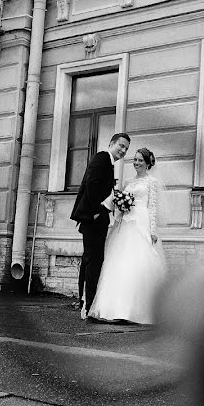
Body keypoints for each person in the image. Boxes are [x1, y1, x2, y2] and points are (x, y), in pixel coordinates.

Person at [88, 147, 166, 325]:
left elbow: (152, 207)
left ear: (147, 163)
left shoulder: (151, 182)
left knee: (137, 264)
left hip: (141, 222)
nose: (136, 163)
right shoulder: (128, 182)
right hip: (125, 222)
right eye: (135, 160)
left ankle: (135, 310)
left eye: (140, 160)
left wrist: (153, 231)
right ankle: (115, 308)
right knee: (119, 263)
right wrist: (120, 210)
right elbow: (119, 201)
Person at [70, 132, 131, 320]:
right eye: (121, 146)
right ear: (111, 144)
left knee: (90, 259)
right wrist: (97, 211)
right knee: (94, 260)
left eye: (126, 149)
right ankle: (88, 306)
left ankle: (84, 302)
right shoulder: (102, 158)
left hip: (94, 218)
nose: (123, 150)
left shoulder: (107, 162)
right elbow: (91, 185)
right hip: (93, 218)